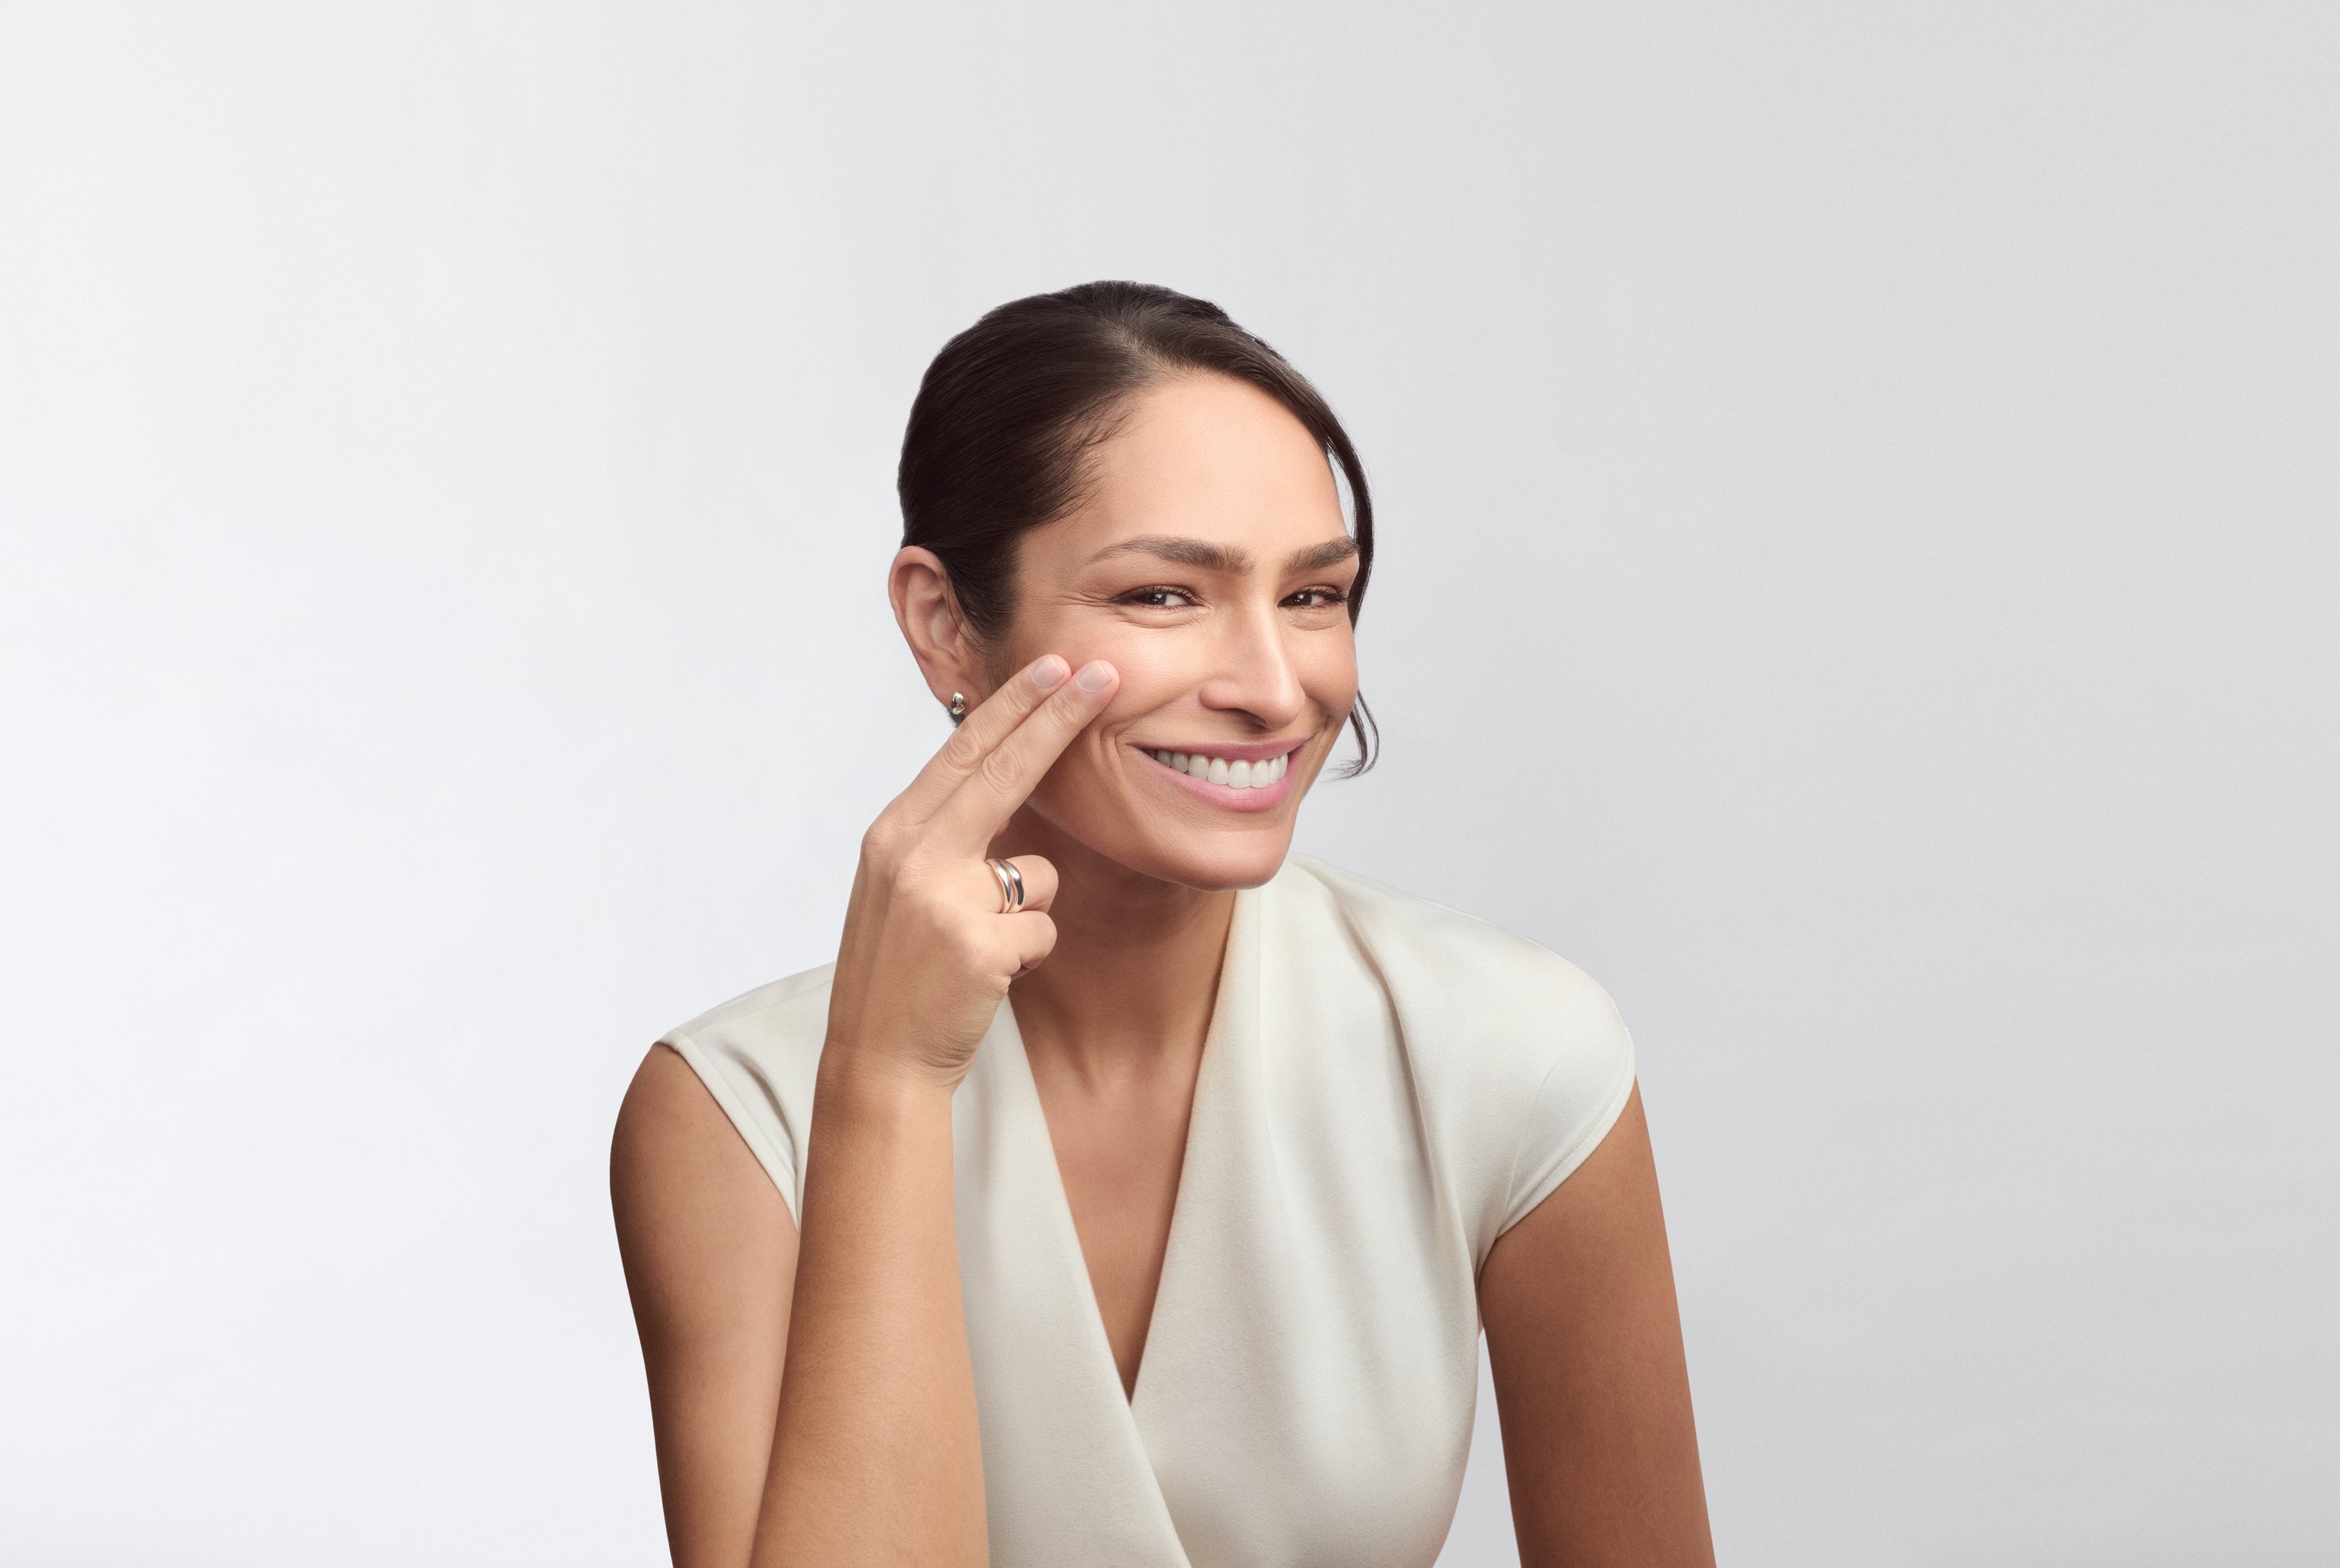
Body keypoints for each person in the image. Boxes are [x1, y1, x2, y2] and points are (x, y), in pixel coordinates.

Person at [610, 281, 1714, 1567]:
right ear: (944, 622)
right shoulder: (737, 1117)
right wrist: (889, 1082)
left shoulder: (1510, 1051)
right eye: (1165, 596)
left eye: (1314, 596)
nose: (1274, 687)